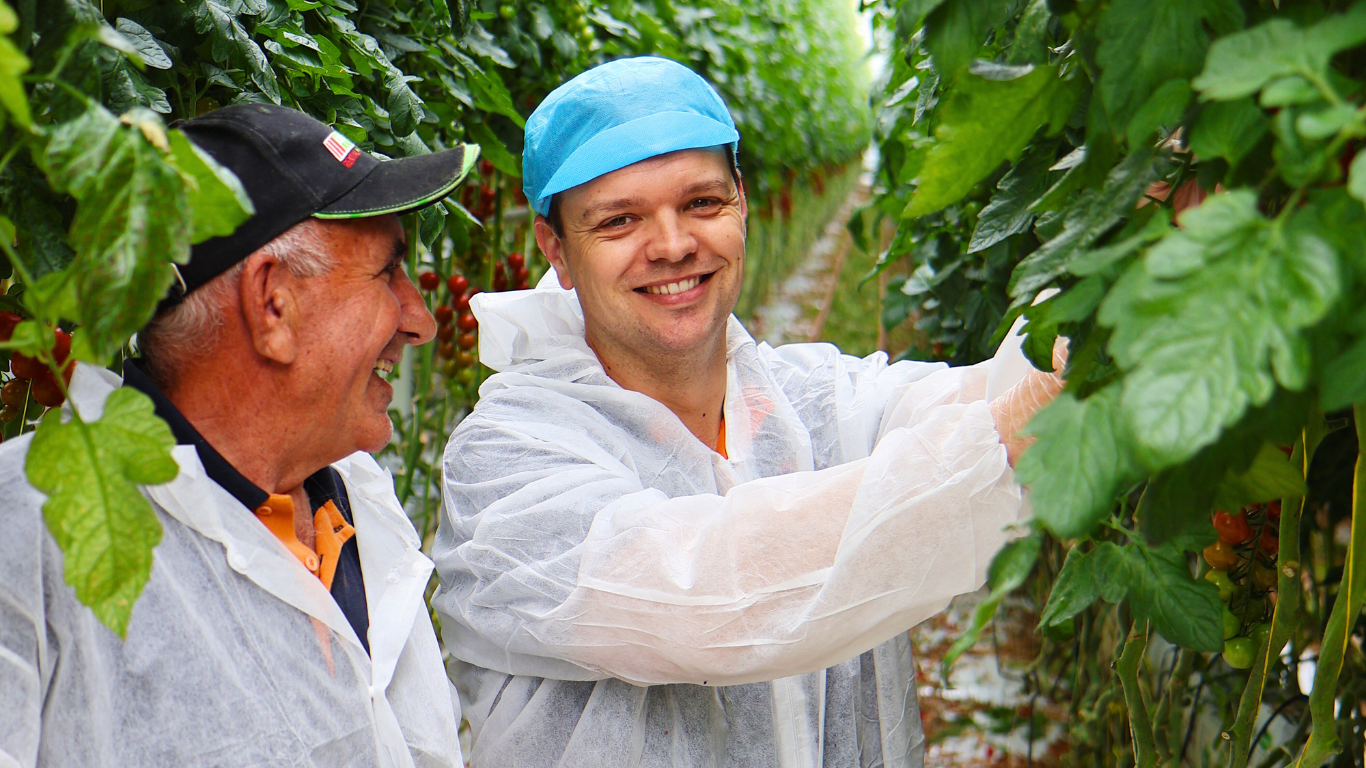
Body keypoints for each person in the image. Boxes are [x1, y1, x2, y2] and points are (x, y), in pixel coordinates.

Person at [431, 57, 1065, 768]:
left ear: (742, 205)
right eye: (619, 220)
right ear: (557, 250)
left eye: (701, 203)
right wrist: (994, 440)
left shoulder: (813, 400)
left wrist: (1109, 259)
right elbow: (707, 595)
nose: (673, 245)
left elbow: (992, 395)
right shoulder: (505, 460)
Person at [0, 104, 477, 768]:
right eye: (387, 273)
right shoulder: (27, 534)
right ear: (273, 304)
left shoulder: (358, 500)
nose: (421, 320)